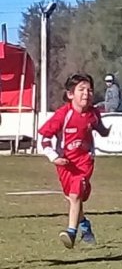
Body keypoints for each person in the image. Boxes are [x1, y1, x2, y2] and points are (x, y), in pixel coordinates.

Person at [38, 74, 111, 248]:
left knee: (75, 194)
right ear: (70, 94)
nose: (87, 93)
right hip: (65, 163)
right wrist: (54, 157)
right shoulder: (63, 115)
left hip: (84, 162)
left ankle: (71, 232)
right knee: (72, 199)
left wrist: (105, 131)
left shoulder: (93, 113)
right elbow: (44, 138)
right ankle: (85, 226)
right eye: (82, 89)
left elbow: (99, 128)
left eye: (90, 90)